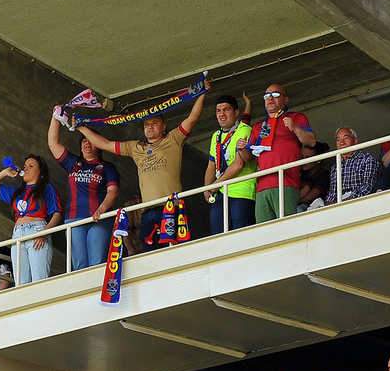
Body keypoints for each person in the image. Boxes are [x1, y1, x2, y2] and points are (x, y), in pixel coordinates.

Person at [76, 92, 205, 248]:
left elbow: (192, 119)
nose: (150, 127)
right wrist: (81, 127)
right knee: (150, 253)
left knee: (175, 251)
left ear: (164, 126)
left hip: (173, 207)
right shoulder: (135, 147)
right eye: (146, 124)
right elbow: (105, 144)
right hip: (147, 211)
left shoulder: (173, 139)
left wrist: (201, 93)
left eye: (154, 123)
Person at [48, 109, 119, 268]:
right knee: (79, 264)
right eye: (83, 141)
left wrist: (102, 209)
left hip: (99, 218)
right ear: (80, 147)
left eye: (90, 140)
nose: (87, 143)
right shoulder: (73, 163)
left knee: (97, 262)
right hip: (74, 219)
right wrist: (55, 117)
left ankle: (98, 292)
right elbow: (53, 144)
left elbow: (112, 192)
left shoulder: (107, 167)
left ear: (99, 145)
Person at [0, 157, 61, 285]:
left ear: (40, 172)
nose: (26, 168)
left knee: (39, 280)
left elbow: (57, 213)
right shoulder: (17, 192)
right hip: (18, 234)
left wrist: (44, 233)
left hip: (37, 231)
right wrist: (5, 172)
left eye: (31, 166)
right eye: (25, 166)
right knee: (21, 282)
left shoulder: (46, 188)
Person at [246, 83, 316, 222]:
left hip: (286, 182)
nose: (270, 98)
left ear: (286, 100)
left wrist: (295, 128)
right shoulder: (258, 126)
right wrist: (241, 148)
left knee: (286, 227)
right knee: (264, 231)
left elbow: (311, 141)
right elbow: (247, 157)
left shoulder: (296, 117)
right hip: (261, 185)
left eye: (275, 95)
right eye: (267, 96)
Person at [202, 94, 257, 233]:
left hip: (241, 192)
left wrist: (214, 186)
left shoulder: (244, 130)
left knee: (241, 235)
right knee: (218, 235)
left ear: (236, 112)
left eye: (226, 110)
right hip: (221, 192)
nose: (221, 114)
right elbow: (211, 164)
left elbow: (238, 164)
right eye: (218, 111)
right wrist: (206, 189)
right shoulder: (216, 135)